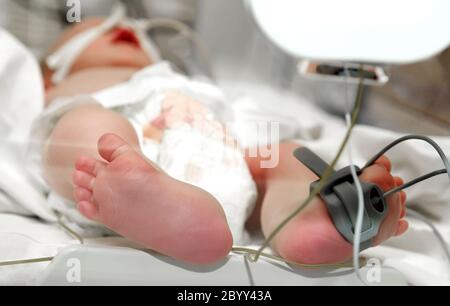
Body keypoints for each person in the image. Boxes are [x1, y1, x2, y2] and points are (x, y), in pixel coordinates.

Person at [38, 19, 408, 265]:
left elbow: (245, 131)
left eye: (137, 30)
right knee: (86, 126)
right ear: (48, 78)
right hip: (116, 168)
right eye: (94, 29)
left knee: (282, 153)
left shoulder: (189, 85)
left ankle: (307, 218)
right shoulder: (69, 86)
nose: (124, 26)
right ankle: (143, 198)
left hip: (218, 160)